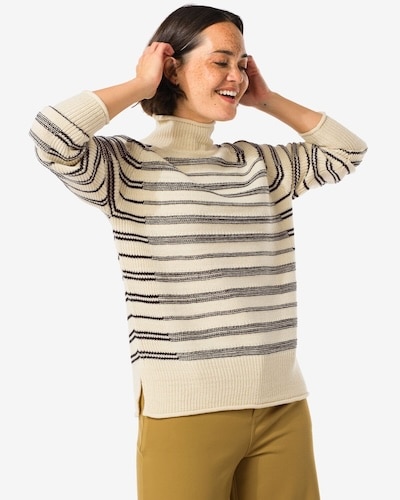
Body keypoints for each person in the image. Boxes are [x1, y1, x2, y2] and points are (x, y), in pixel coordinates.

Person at [29, 4, 367, 499]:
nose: (237, 77)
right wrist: (140, 86)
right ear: (171, 68)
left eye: (242, 65)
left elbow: (347, 151)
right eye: (221, 62)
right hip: (185, 410)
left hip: (282, 406)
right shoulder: (127, 168)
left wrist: (267, 100)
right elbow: (50, 136)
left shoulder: (259, 165)